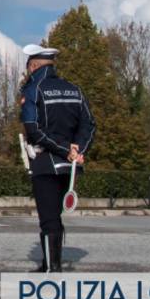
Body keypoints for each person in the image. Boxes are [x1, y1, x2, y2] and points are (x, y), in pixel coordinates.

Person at [19, 44, 95, 272]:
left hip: (46, 162)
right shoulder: (75, 90)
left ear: (33, 66)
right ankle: (49, 264)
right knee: (56, 215)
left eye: (28, 68)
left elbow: (34, 130)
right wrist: (78, 151)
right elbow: (89, 125)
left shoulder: (33, 90)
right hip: (69, 167)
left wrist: (63, 150)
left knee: (48, 217)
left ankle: (52, 270)